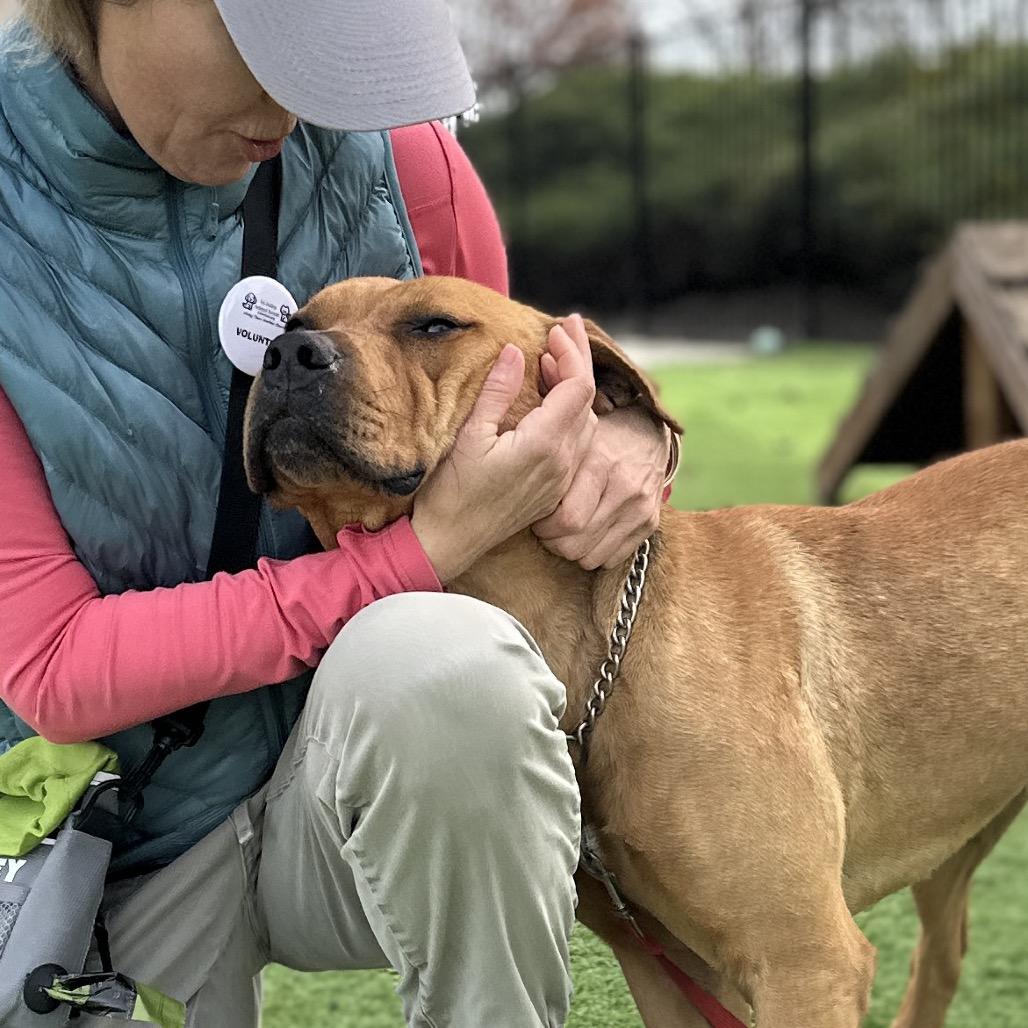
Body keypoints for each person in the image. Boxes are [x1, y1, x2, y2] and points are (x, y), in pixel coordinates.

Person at [0, 1, 673, 1024]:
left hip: (358, 772)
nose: (296, 104)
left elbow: (503, 386)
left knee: (442, 656)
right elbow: (52, 667)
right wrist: (417, 550)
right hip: (105, 842)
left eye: (342, 59)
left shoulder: (407, 165)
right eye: (267, 50)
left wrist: (626, 435)